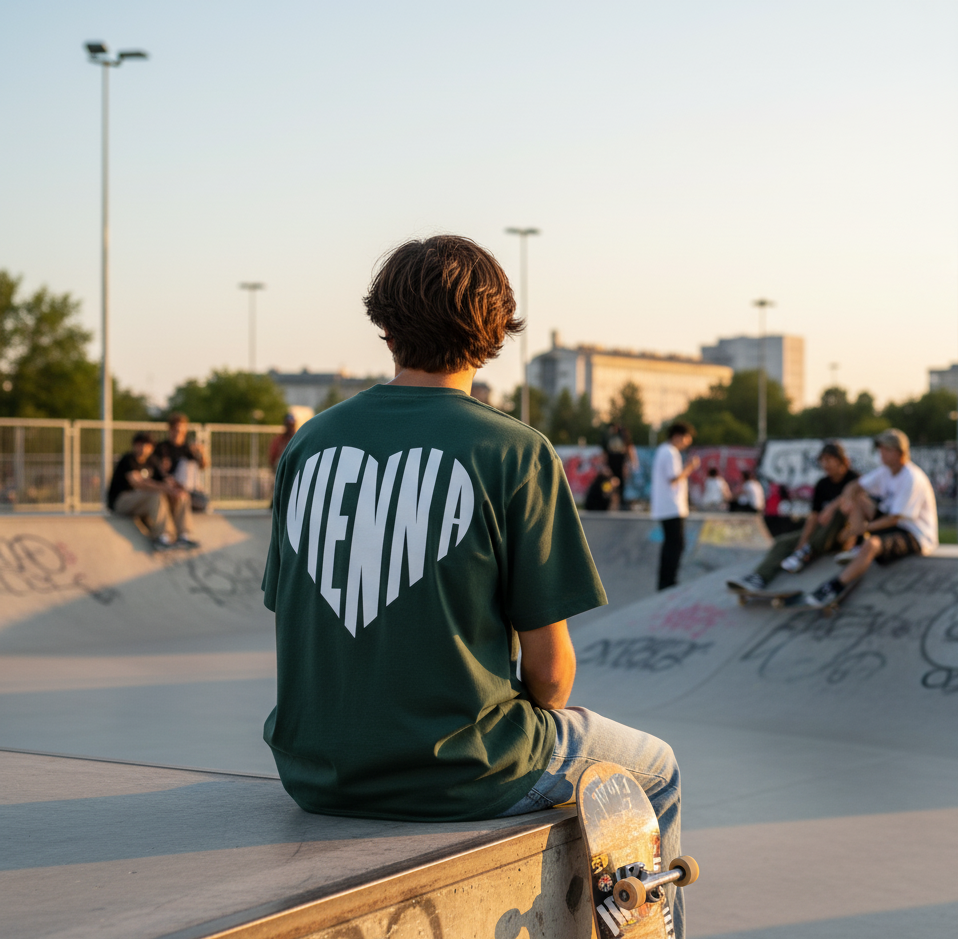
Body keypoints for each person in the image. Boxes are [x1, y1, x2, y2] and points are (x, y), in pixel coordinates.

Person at [261, 236, 688, 937]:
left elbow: (294, 611)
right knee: (657, 771)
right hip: (467, 767)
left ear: (385, 324)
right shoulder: (513, 450)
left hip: (312, 769)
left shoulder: (309, 445)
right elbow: (551, 672)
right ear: (494, 332)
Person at [805, 429, 937, 607]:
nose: (880, 454)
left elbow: (893, 520)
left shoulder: (912, 478)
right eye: (880, 449)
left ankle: (834, 586)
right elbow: (853, 486)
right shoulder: (885, 472)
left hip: (915, 534)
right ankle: (858, 546)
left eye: (885, 450)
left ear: (899, 453)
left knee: (872, 544)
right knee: (859, 498)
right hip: (893, 523)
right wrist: (848, 501)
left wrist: (860, 529)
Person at [728, 442, 858, 592]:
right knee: (782, 542)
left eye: (829, 460)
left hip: (844, 537)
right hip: (821, 536)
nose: (825, 464)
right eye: (822, 461)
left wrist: (832, 507)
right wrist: (802, 542)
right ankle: (760, 577)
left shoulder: (854, 479)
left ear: (841, 460)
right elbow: (814, 517)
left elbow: (854, 498)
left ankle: (807, 551)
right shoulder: (822, 484)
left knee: (840, 511)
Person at [108, 431, 198, 550]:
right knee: (156, 495)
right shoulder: (128, 459)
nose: (144, 449)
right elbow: (137, 483)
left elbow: (165, 479)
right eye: (141, 445)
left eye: (147, 445)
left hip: (141, 503)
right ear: (135, 445)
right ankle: (162, 537)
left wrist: (176, 488)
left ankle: (183, 535)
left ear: (151, 448)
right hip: (122, 501)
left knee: (181, 495)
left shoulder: (152, 461)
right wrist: (166, 489)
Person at [650, 422, 700, 591]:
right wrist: (690, 467)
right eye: (686, 439)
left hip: (666, 507)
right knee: (676, 544)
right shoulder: (670, 453)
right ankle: (668, 582)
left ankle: (665, 581)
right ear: (678, 436)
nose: (687, 443)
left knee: (671, 544)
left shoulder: (663, 451)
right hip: (671, 507)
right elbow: (674, 478)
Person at [154, 413, 209, 512]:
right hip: (169, 487)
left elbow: (202, 466)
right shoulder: (162, 447)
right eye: (176, 430)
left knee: (203, 502)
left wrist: (203, 454)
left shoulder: (187, 448)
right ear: (170, 429)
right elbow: (160, 472)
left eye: (181, 430)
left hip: (186, 489)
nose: (178, 433)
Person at [601, 422, 637, 509]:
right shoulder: (608, 438)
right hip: (611, 461)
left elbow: (629, 449)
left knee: (621, 484)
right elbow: (605, 452)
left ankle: (622, 502)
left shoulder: (622, 436)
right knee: (609, 483)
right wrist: (604, 465)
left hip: (620, 462)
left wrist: (632, 464)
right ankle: (608, 502)